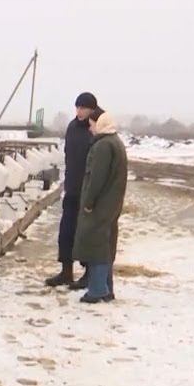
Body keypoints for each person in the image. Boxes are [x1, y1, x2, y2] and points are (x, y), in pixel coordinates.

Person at [45, 92, 102, 288]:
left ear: (92, 109)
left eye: (83, 108)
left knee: (86, 234)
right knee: (66, 232)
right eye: (77, 107)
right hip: (72, 188)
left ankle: (88, 273)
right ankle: (66, 271)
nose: (79, 111)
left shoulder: (96, 129)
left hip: (88, 190)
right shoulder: (72, 127)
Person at [73, 111, 128, 304]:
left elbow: (96, 178)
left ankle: (97, 290)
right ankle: (106, 288)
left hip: (100, 205)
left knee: (96, 245)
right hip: (111, 203)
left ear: (100, 124)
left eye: (92, 124)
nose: (90, 128)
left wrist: (88, 202)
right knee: (106, 245)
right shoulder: (116, 142)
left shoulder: (103, 146)